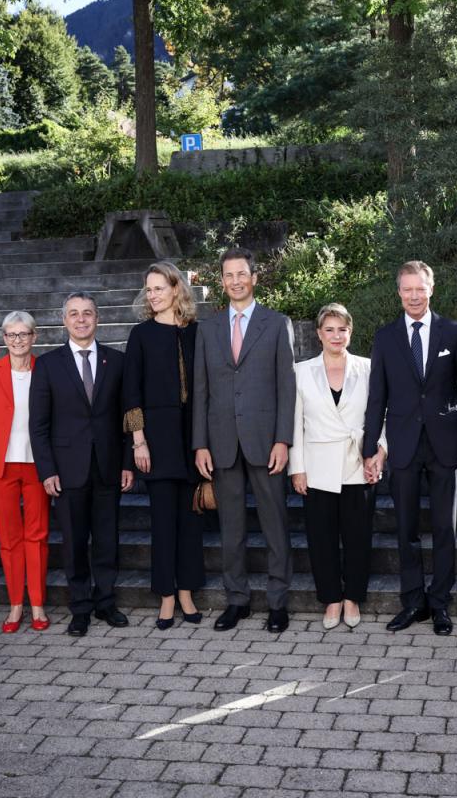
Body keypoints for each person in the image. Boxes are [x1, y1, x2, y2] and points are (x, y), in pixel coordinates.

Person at [363, 260, 457, 637]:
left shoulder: (454, 333)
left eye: (419, 288)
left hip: (445, 445)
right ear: (398, 292)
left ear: (431, 288)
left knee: (445, 528)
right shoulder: (385, 337)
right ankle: (413, 601)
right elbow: (377, 397)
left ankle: (440, 603)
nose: (413, 295)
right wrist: (370, 447)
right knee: (406, 528)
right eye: (406, 289)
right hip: (403, 446)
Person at [193, 247, 297, 634]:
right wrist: (199, 443)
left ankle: (277, 602)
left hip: (265, 441)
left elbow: (287, 389)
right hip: (221, 443)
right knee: (231, 528)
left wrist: (283, 439)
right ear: (221, 282)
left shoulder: (276, 324)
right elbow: (201, 391)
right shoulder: (208, 328)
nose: (235, 281)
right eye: (228, 275)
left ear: (254, 278)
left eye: (242, 274)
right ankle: (236, 600)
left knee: (274, 525)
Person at [29, 292, 134, 637]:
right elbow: (38, 424)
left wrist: (128, 462)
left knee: (106, 538)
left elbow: (127, 417)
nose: (81, 319)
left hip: (107, 465)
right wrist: (46, 470)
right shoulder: (47, 364)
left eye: (87, 313)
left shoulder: (116, 362)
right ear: (64, 321)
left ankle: (105, 602)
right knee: (74, 542)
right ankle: (80, 608)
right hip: (66, 468)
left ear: (97, 318)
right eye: (74, 314)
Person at [290, 303, 385, 630]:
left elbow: (381, 416)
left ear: (350, 331)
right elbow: (295, 424)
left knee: (358, 536)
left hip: (358, 463)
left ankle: (352, 597)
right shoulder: (301, 371)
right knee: (321, 537)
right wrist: (297, 468)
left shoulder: (369, 368)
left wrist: (380, 454)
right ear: (318, 334)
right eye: (329, 329)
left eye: (341, 329)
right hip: (316, 467)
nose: (336, 335)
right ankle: (331, 598)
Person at [122, 262, 204, 630]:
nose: (152, 295)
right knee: (162, 522)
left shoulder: (198, 332)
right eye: (148, 289)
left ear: (176, 290)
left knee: (190, 522)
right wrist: (139, 441)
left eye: (159, 288)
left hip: (193, 437)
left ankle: (187, 591)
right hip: (156, 438)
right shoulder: (140, 334)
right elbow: (131, 393)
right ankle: (166, 597)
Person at [0, 311, 50, 634]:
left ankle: (38, 604)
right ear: (3, 338)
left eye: (24, 334)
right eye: (11, 335)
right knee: (9, 539)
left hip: (38, 466)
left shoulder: (46, 368)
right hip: (1, 467)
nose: (18, 340)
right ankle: (16, 604)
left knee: (38, 536)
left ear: (34, 337)